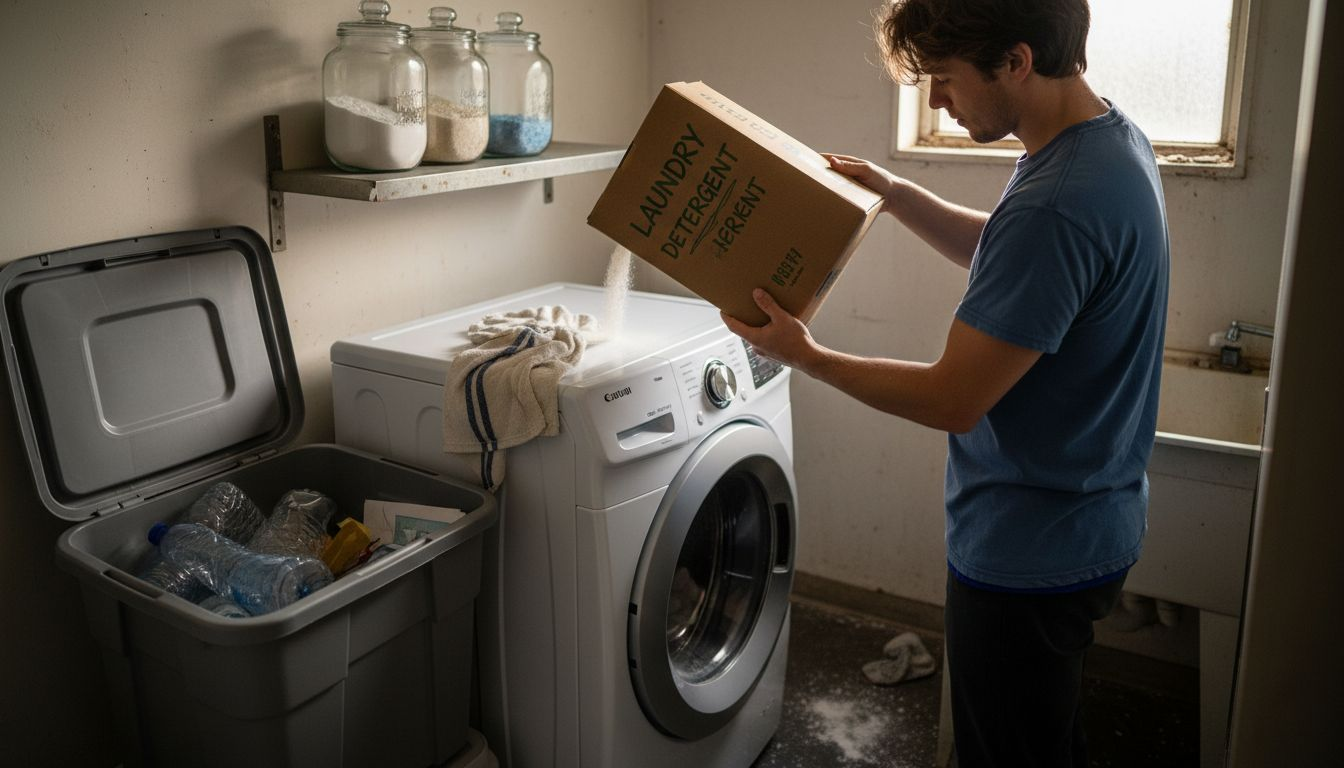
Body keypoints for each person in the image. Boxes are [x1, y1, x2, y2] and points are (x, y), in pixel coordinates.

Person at [720, 1, 1170, 766]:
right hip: (1090, 517)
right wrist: (897, 195)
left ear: (1017, 61)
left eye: (945, 81)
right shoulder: (1105, 142)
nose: (935, 101)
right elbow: (1016, 261)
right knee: (1043, 737)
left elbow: (952, 399)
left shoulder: (1056, 205)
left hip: (1029, 548)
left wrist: (808, 355)